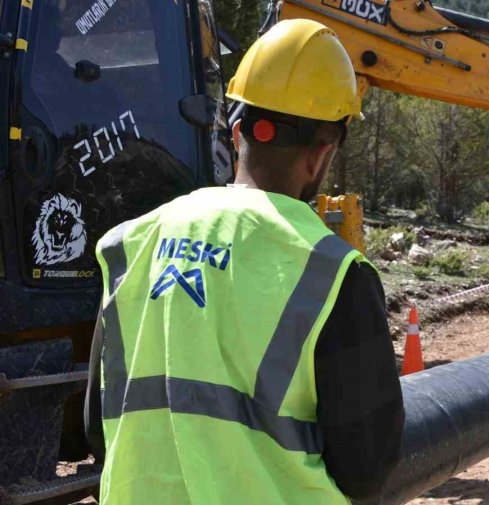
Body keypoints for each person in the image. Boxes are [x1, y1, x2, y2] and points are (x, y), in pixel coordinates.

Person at [84, 20, 404, 504]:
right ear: (321, 155)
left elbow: (97, 428)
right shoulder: (333, 274)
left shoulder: (130, 244)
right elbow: (366, 467)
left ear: (237, 133)